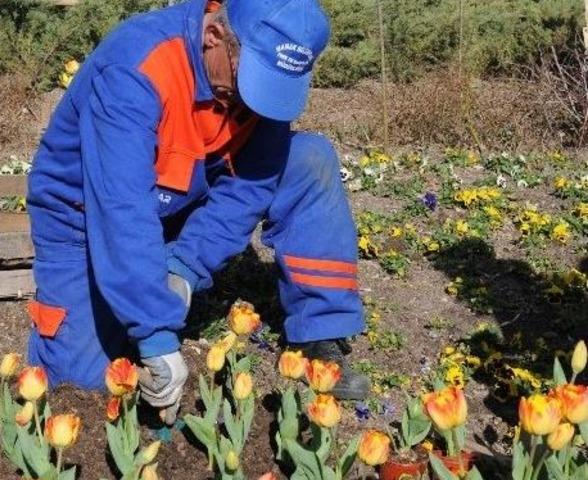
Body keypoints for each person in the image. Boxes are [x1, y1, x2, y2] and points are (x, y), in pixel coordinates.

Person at [26, 0, 370, 423]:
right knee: (80, 386)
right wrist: (155, 335)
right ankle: (133, 301)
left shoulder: (258, 79)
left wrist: (185, 266)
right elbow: (120, 209)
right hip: (85, 218)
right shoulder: (137, 66)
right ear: (214, 37)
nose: (256, 104)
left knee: (308, 159)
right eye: (250, 83)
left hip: (182, 198)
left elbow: (250, 184)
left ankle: (323, 331)